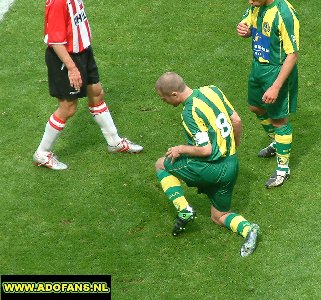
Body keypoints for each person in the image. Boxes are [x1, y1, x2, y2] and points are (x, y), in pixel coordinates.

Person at [154, 72, 259, 257]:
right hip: (231, 165)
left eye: (164, 99)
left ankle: (184, 209)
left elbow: (205, 150)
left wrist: (181, 148)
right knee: (218, 216)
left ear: (174, 95)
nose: (164, 103)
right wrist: (234, 144)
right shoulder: (213, 90)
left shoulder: (189, 112)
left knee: (162, 164)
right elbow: (237, 120)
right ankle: (248, 230)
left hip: (212, 168)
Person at [33, 0, 143, 170]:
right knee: (68, 108)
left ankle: (114, 142)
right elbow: (55, 41)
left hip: (83, 52)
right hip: (65, 59)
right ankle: (43, 153)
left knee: (96, 93)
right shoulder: (58, 2)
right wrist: (71, 68)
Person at [237, 0, 300, 188]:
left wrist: (276, 86)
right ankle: (276, 143)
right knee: (255, 107)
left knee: (278, 119)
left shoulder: (285, 14)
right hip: (258, 67)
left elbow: (293, 54)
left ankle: (283, 169)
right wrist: (246, 31)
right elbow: (251, 25)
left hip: (276, 71)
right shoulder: (256, 5)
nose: (250, 1)